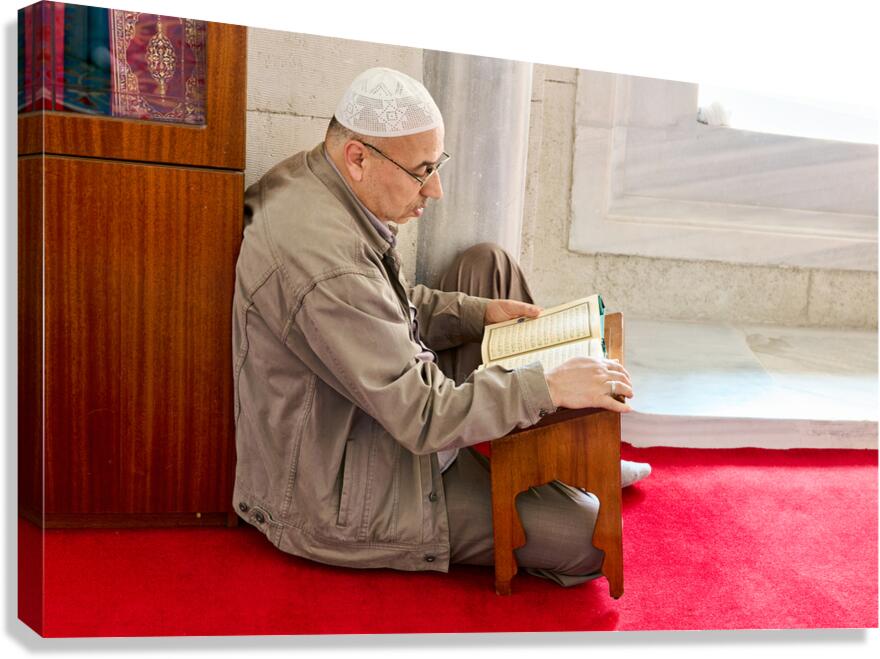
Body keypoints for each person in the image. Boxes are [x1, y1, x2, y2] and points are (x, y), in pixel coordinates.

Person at [232, 67, 649, 587]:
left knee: (490, 266)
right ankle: (568, 466)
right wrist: (547, 385)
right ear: (358, 157)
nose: (437, 189)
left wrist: (477, 313)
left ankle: (569, 454)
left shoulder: (323, 178)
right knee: (589, 536)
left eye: (438, 163)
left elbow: (387, 304)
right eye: (422, 170)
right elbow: (422, 415)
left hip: (377, 404)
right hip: (350, 479)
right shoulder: (327, 265)